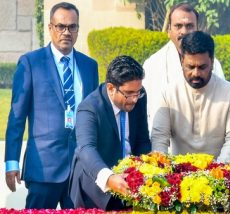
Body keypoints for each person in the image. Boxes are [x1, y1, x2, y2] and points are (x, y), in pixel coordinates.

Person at [4, 2, 98, 209]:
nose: (66, 32)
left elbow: (95, 117)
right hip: (43, 169)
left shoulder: (89, 66)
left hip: (80, 169)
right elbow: (17, 117)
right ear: (50, 28)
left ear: (78, 29)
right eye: (60, 26)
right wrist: (12, 162)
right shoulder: (30, 63)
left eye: (72, 27)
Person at [69, 55, 151, 210]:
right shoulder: (89, 108)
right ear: (111, 88)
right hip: (94, 183)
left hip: (129, 179)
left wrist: (145, 170)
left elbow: (142, 140)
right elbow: (86, 149)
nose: (134, 99)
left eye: (137, 92)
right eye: (129, 94)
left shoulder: (139, 95)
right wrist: (109, 177)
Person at [151, 31, 230, 163]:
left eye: (202, 67)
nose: (196, 73)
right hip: (177, 175)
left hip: (218, 174)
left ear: (212, 62)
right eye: (190, 67)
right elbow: (159, 137)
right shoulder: (169, 92)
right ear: (182, 62)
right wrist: (161, 169)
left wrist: (219, 171)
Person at [143, 3, 225, 131]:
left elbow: (221, 103)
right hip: (166, 143)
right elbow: (147, 111)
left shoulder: (213, 64)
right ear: (169, 30)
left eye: (189, 26)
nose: (184, 31)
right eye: (178, 26)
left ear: (198, 29)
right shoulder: (152, 65)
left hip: (206, 140)